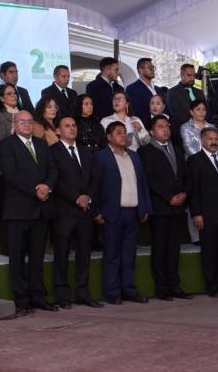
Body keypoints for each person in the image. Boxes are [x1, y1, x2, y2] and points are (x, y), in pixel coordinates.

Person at [0, 111, 57, 314]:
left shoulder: (41, 144)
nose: (26, 124)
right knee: (17, 258)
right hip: (18, 211)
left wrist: (47, 186)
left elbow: (53, 169)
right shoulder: (6, 145)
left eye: (30, 121)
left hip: (41, 210)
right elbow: (11, 174)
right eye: (22, 121)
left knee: (37, 258)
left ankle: (38, 296)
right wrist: (36, 190)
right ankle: (22, 300)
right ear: (14, 124)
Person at [95, 122, 152, 304]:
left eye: (125, 133)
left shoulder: (134, 156)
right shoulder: (101, 157)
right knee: (112, 255)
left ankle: (129, 290)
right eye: (118, 133)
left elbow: (142, 183)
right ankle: (112, 292)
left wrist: (144, 207)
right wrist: (97, 212)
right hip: (112, 213)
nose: (123, 136)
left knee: (129, 255)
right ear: (109, 137)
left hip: (133, 212)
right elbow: (95, 186)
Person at [48, 116, 101, 309]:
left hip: (85, 211)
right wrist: (76, 198)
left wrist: (87, 197)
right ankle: (62, 294)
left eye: (74, 125)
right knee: (61, 254)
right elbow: (56, 180)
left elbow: (94, 178)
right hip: (64, 211)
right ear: (58, 131)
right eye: (67, 126)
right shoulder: (52, 151)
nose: (72, 128)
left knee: (84, 254)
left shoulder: (86, 151)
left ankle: (83, 293)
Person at [138, 115, 191, 301]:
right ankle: (162, 288)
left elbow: (185, 175)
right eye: (161, 126)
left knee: (174, 250)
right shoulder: (145, 152)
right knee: (160, 249)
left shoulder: (177, 149)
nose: (166, 129)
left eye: (167, 126)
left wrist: (184, 194)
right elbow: (150, 179)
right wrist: (168, 197)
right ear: (152, 132)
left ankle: (175, 286)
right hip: (160, 208)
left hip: (177, 208)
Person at [187, 127, 218, 297]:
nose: (214, 142)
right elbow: (194, 190)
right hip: (207, 215)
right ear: (202, 141)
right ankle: (212, 286)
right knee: (210, 253)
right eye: (210, 139)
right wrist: (196, 214)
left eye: (216, 139)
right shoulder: (195, 160)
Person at [167, 63, 205, 135]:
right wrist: (196, 125)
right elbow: (177, 114)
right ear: (182, 75)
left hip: (203, 131)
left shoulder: (199, 92)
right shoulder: (172, 92)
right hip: (183, 132)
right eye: (189, 75)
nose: (192, 78)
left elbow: (207, 111)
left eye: (194, 75)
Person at [126, 57, 161, 125]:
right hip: (144, 127)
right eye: (149, 67)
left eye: (153, 67)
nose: (152, 69)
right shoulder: (132, 88)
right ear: (140, 70)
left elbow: (165, 108)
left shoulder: (158, 90)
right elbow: (134, 112)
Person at [87, 57, 123, 121]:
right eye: (116, 70)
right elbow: (93, 109)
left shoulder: (119, 88)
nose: (118, 73)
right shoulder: (93, 87)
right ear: (107, 70)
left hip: (119, 123)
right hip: (102, 124)